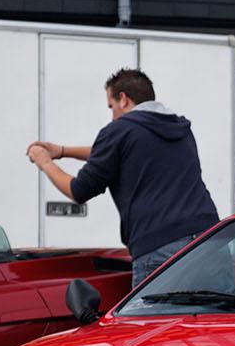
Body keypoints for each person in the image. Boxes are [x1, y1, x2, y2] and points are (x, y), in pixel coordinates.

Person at [26, 69, 220, 282]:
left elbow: (78, 190)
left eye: (111, 106)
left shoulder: (119, 131)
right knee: (220, 314)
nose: (112, 115)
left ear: (124, 99)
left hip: (160, 246)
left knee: (156, 317)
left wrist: (44, 161)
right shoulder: (179, 128)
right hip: (209, 240)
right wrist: (63, 151)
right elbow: (119, 154)